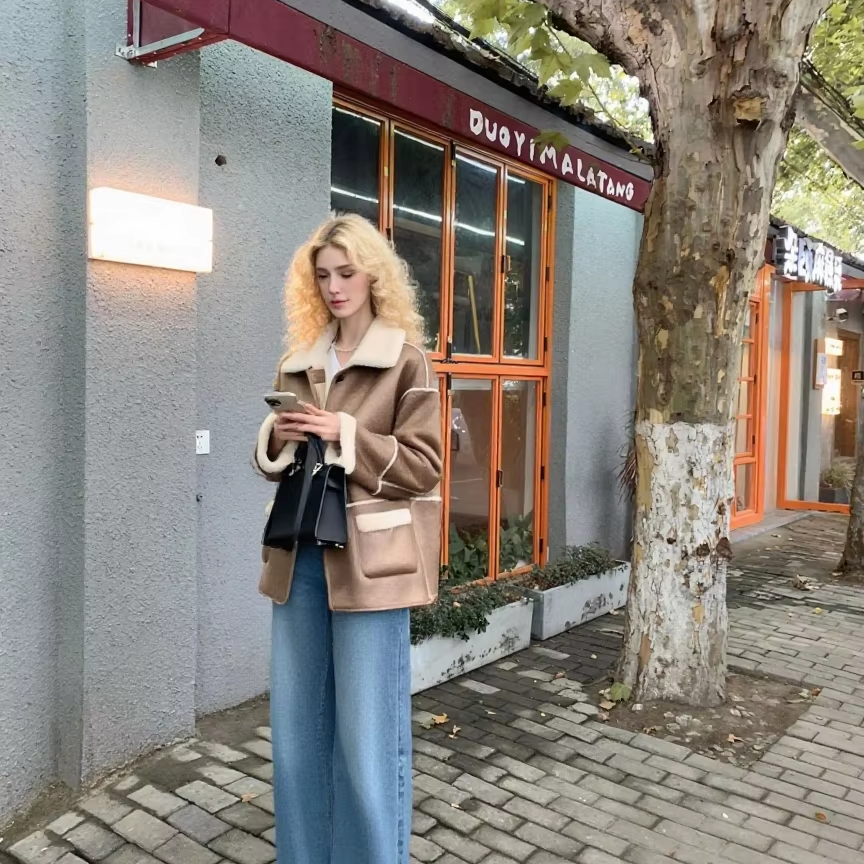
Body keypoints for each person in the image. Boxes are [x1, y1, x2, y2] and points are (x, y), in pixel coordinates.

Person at [252, 213, 443, 864]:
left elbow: (424, 466)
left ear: (373, 276)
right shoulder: (298, 361)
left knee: (366, 741)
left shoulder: (407, 362)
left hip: (371, 567)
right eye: (323, 276)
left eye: (346, 273)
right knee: (296, 733)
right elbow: (274, 464)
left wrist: (347, 435)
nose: (334, 287)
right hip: (298, 558)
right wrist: (277, 439)